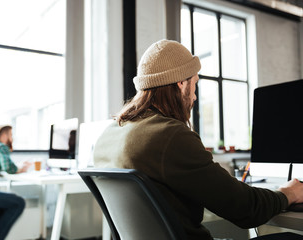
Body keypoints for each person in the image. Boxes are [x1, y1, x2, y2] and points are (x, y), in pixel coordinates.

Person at [93, 39, 303, 240]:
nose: (194, 97)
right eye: (195, 84)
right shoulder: (170, 135)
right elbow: (247, 209)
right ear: (181, 83)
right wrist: (288, 193)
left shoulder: (108, 135)